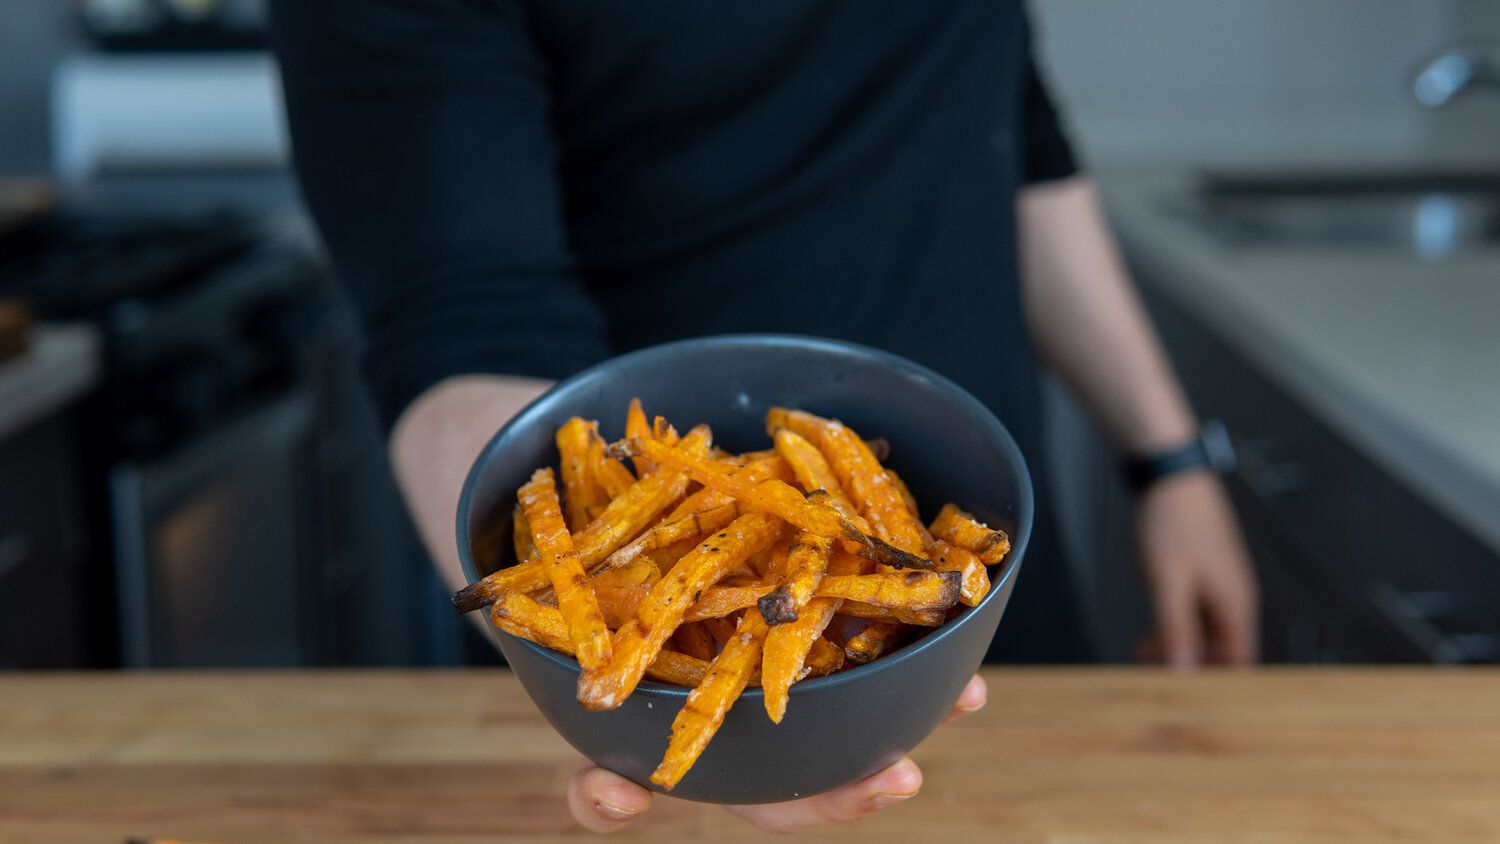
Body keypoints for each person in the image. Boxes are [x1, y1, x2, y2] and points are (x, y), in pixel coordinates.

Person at [271, 0, 1259, 833]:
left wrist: (1169, 461)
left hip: (973, 591)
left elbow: (1008, 121)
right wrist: (637, 684)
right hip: (703, 703)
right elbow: (464, 317)